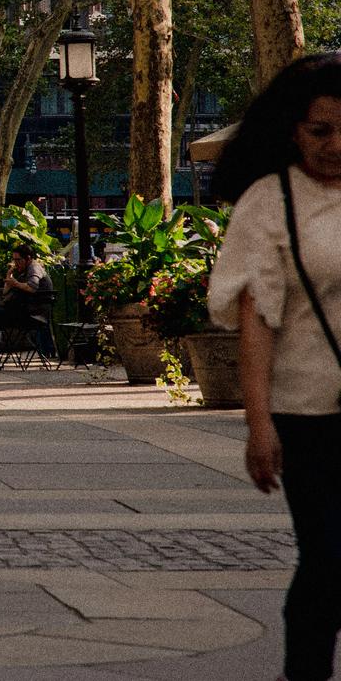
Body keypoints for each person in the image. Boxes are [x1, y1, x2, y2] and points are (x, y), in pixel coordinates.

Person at [206, 53, 341, 681]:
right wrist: (258, 423)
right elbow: (257, 322)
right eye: (321, 131)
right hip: (308, 411)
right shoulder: (271, 202)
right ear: (294, 129)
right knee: (329, 560)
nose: (336, 146)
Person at [0, 242, 53, 370]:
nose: (16, 263)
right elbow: (6, 293)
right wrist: (9, 280)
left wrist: (15, 283)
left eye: (18, 260)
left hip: (34, 315)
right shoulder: (22, 270)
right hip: (24, 311)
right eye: (14, 260)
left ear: (28, 258)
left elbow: (32, 287)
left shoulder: (34, 268)